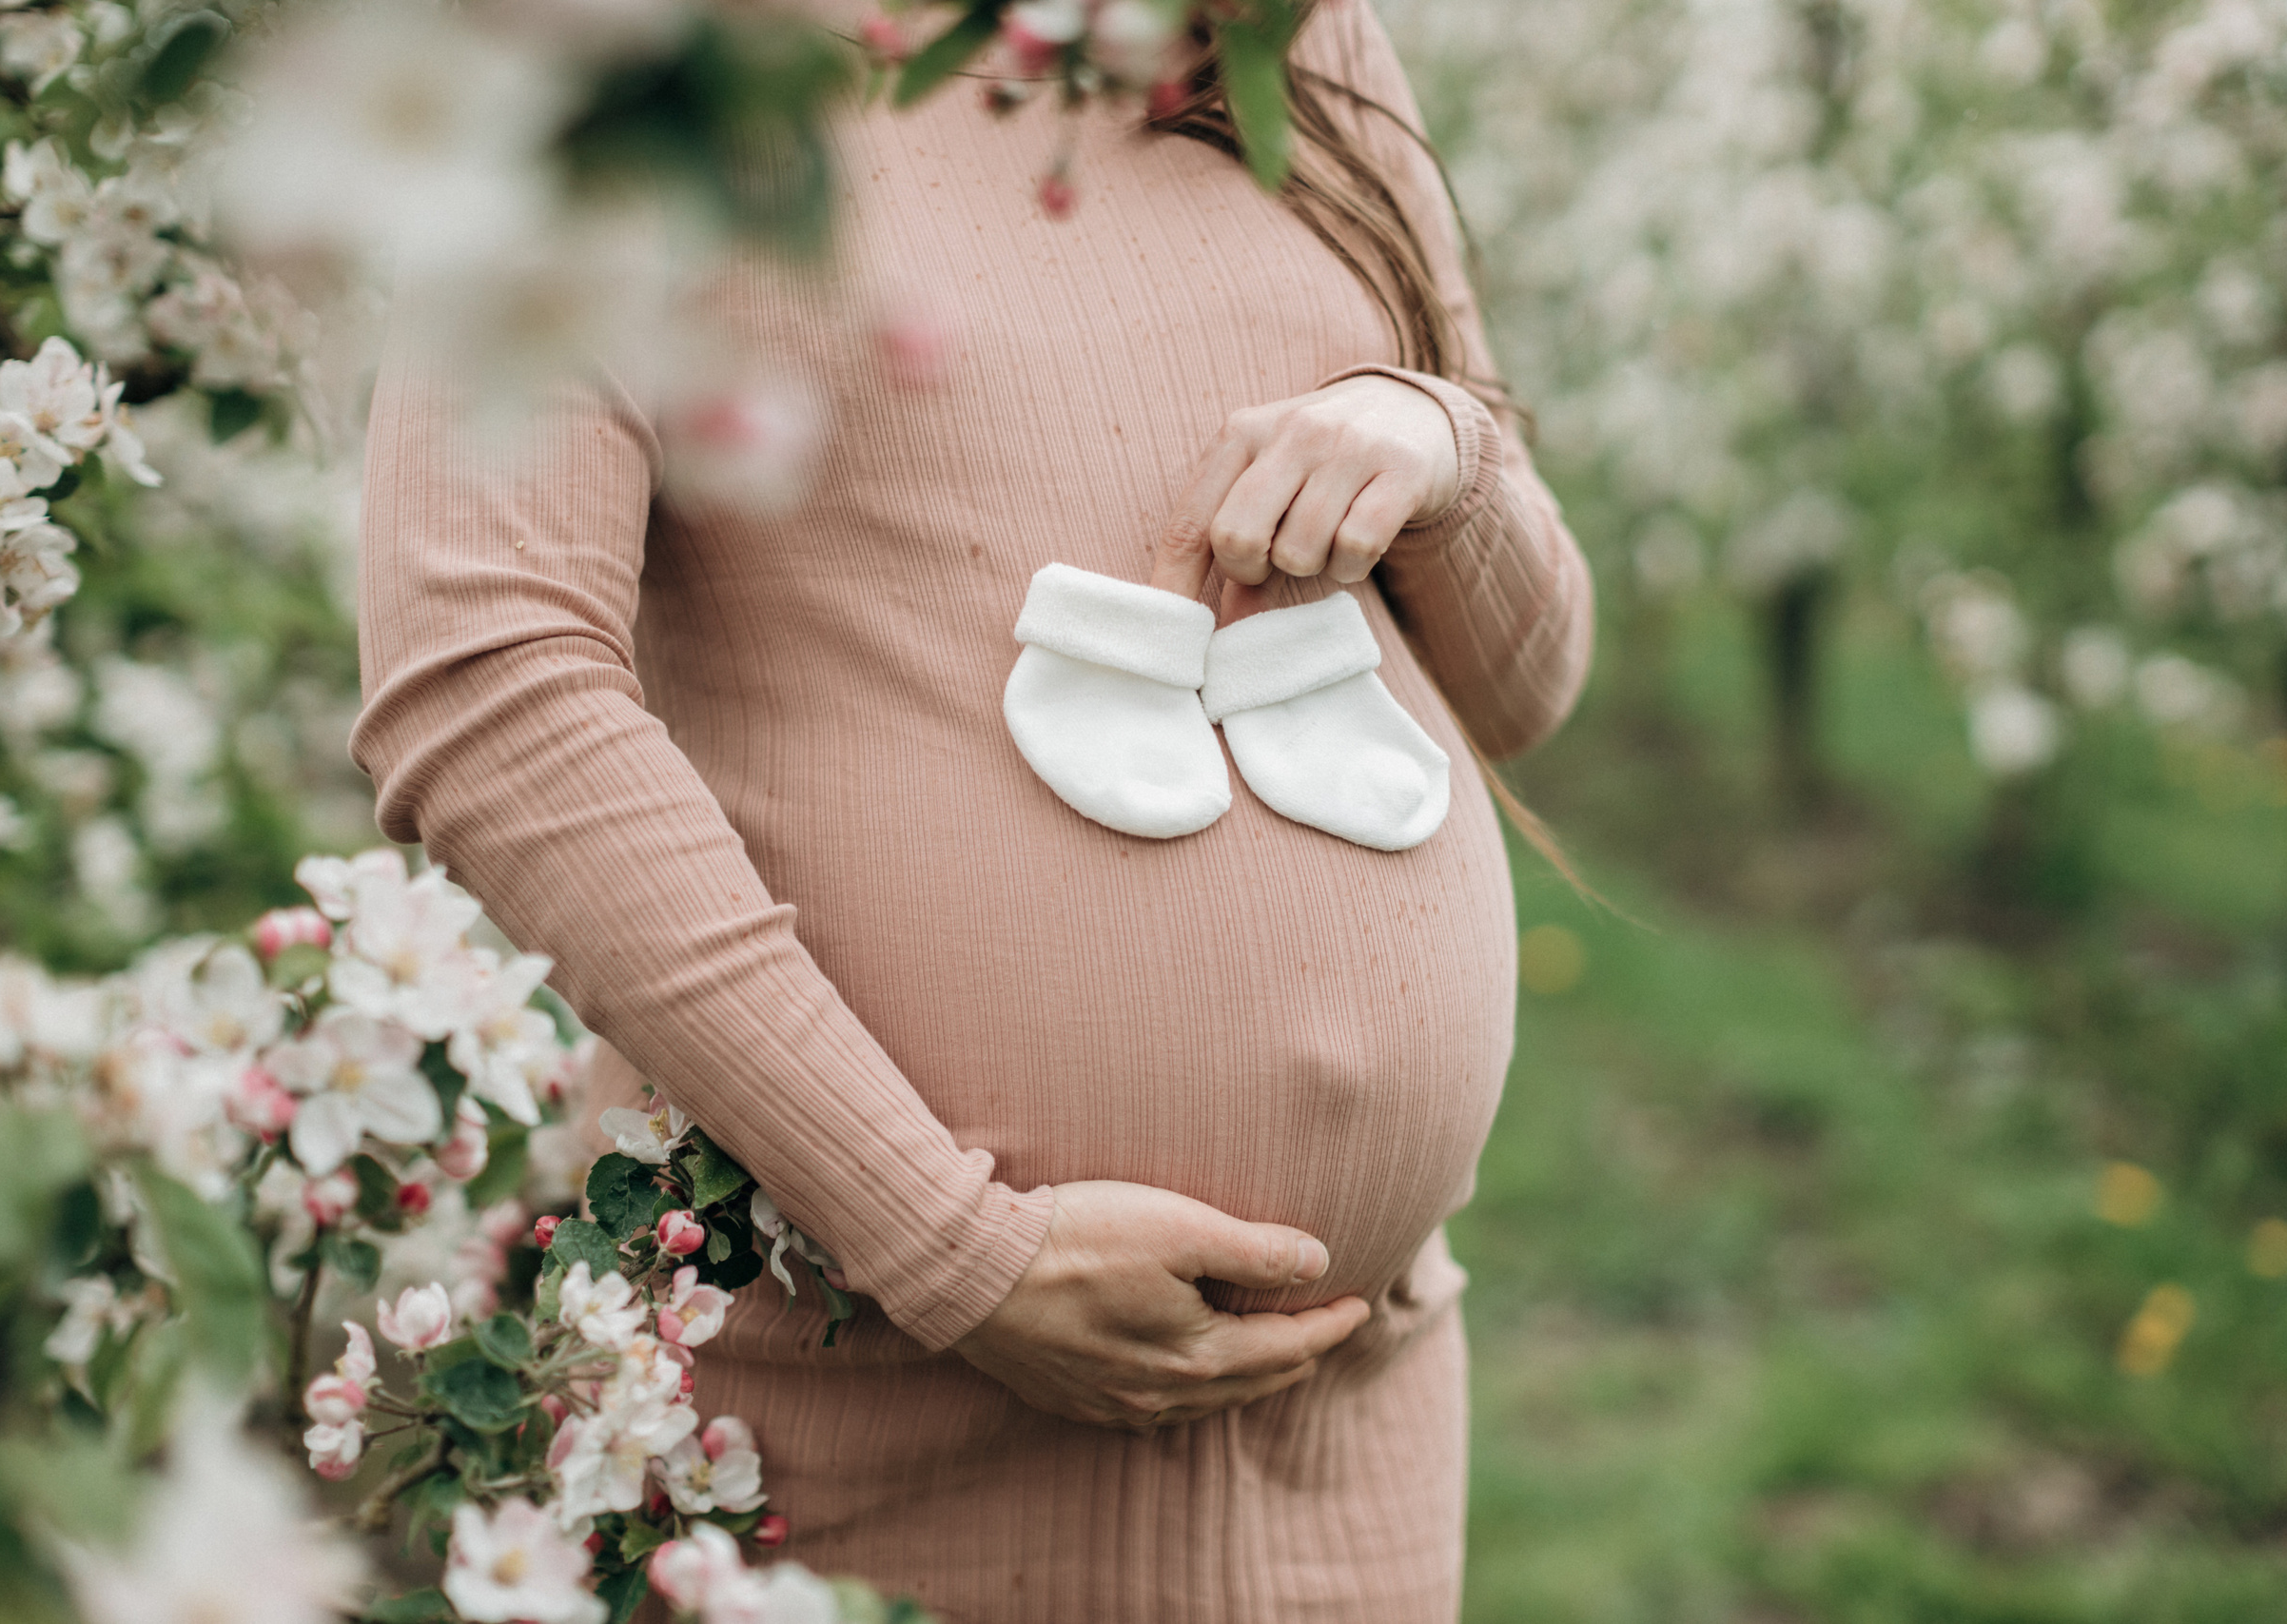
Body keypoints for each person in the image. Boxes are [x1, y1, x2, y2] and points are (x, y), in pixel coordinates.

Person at [351, 1, 1592, 1617]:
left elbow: (1528, 685)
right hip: (858, 1417)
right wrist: (946, 1246)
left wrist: (1442, 444)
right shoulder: (601, 56)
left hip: (1344, 1429)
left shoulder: (1278, 24)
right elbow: (486, 679)